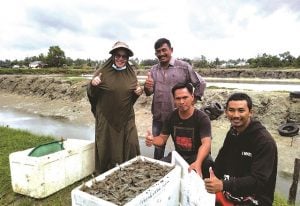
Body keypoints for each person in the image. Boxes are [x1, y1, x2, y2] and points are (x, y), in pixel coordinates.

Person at [204, 92, 278, 206]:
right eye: (231, 110)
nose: (236, 115)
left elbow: (258, 181)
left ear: (250, 112)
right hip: (231, 193)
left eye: (241, 110)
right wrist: (209, 176)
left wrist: (223, 185)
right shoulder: (233, 132)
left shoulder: (264, 142)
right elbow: (221, 160)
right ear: (226, 112)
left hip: (255, 199)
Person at [144, 37, 205, 160]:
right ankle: (159, 169)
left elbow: (201, 83)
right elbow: (149, 93)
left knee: (184, 149)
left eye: (164, 50)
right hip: (159, 117)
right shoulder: (153, 70)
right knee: (158, 148)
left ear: (171, 50)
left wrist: (192, 102)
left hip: (179, 118)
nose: (161, 54)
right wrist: (147, 87)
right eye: (158, 52)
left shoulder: (183, 67)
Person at [87, 41, 143, 174]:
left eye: (124, 56)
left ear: (127, 58)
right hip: (106, 116)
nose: (121, 59)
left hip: (126, 116)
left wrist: (137, 93)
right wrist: (92, 84)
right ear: (113, 56)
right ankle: (105, 174)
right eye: (118, 55)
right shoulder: (102, 72)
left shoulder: (131, 74)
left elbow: (130, 98)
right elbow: (91, 94)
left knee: (132, 144)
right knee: (106, 146)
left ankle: (130, 172)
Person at [145, 83, 212, 178]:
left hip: (197, 156)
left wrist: (198, 162)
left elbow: (206, 144)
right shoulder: (171, 116)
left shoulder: (202, 118)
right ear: (174, 99)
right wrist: (152, 140)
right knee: (158, 169)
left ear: (192, 97)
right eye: (178, 98)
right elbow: (162, 139)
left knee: (208, 164)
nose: (181, 101)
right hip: (179, 155)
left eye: (185, 97)